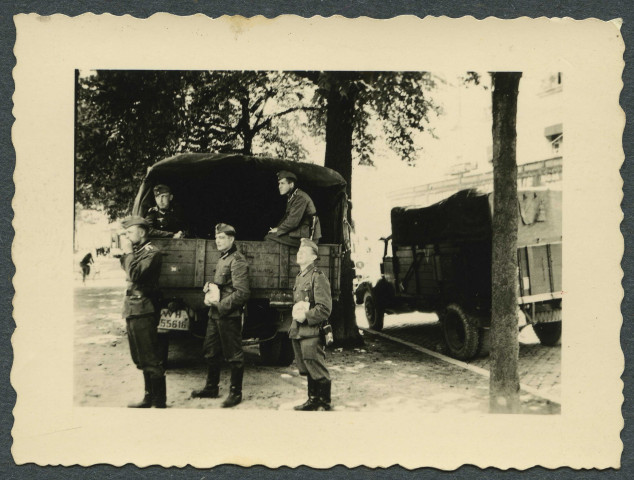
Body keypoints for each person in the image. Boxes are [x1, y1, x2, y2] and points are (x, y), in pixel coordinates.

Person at [192, 223, 250, 408]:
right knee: (210, 351)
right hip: (215, 314)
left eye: (222, 238)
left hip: (228, 315)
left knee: (234, 356)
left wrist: (221, 306)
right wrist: (210, 286)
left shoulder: (237, 260)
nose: (218, 241)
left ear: (231, 239)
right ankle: (211, 387)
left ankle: (235, 392)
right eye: (217, 238)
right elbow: (224, 284)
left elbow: (242, 293)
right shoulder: (223, 258)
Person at [119, 215, 166, 408]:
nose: (128, 236)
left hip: (143, 308)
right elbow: (128, 269)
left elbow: (135, 274)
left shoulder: (152, 252)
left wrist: (128, 253)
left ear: (142, 232)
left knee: (150, 357)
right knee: (139, 357)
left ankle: (159, 401)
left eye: (130, 232)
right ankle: (149, 397)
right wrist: (128, 254)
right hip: (132, 307)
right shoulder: (138, 251)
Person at [290, 238, 332, 411]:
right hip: (300, 331)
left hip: (312, 330)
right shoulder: (300, 277)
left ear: (314, 257)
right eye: (299, 251)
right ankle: (312, 399)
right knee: (307, 365)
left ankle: (324, 402)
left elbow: (324, 308)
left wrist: (305, 316)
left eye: (304, 252)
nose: (299, 254)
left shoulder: (317, 276)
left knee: (316, 365)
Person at [264, 171, 321, 247]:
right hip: (301, 232)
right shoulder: (293, 197)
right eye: (279, 183)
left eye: (282, 183)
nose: (279, 186)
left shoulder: (300, 198)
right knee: (272, 235)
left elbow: (293, 222)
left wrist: (278, 230)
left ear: (291, 184)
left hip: (308, 236)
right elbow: (288, 217)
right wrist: (278, 228)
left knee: (269, 238)